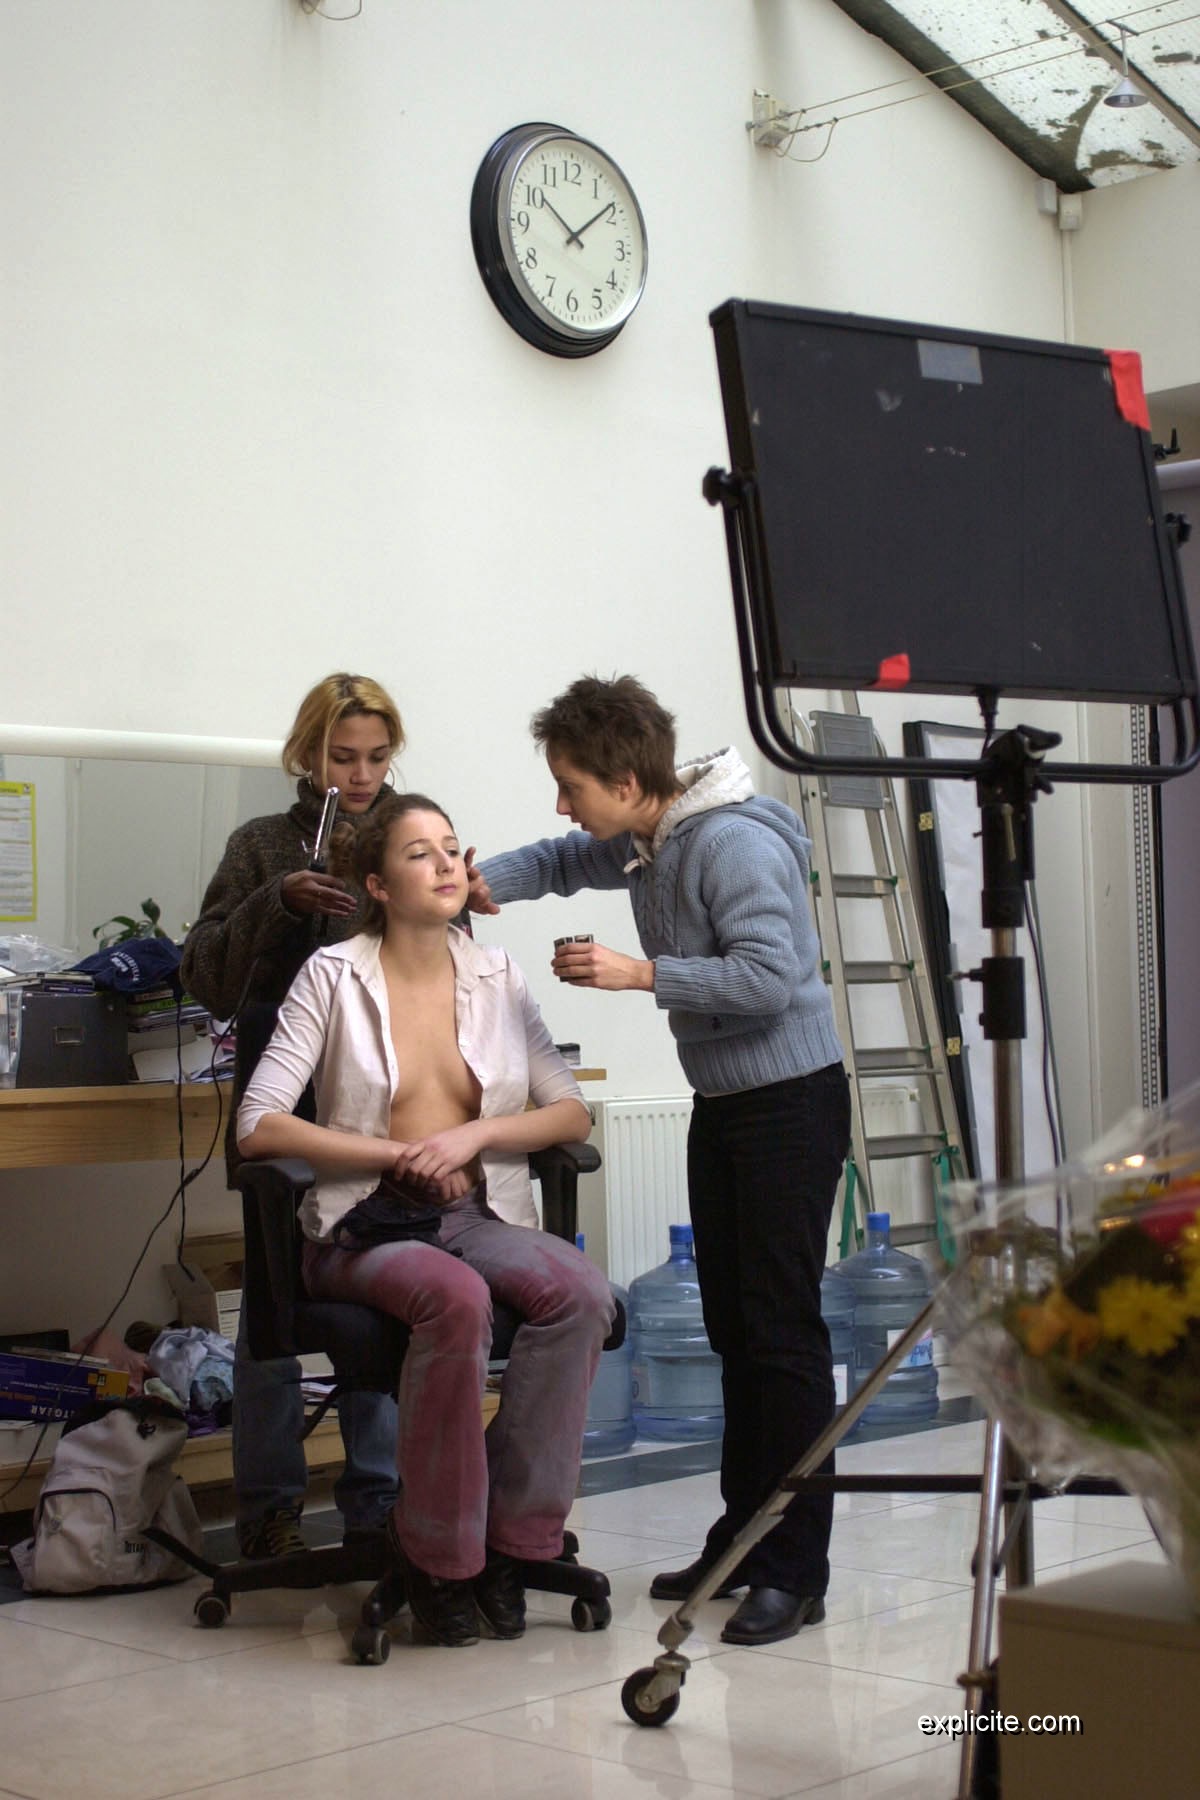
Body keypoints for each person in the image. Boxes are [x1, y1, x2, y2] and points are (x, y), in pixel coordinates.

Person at [469, 674, 851, 1648]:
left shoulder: (729, 844)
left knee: (781, 1336)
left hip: (789, 1106)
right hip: (726, 1106)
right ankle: (743, 1537)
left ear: (628, 782)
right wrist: (479, 882)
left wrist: (639, 974)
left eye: (572, 785)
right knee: (735, 1327)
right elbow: (562, 858)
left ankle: (796, 1569)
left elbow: (770, 979)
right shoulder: (654, 837)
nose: (564, 804)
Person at [236, 792, 615, 1646]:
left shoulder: (497, 974)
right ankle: (440, 1556)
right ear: (376, 884)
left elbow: (569, 1113)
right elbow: (258, 1125)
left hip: (476, 1213)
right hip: (365, 1223)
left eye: (451, 847)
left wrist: (471, 1137)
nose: (447, 864)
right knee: (457, 1299)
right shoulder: (332, 975)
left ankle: (514, 1543)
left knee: (584, 1295)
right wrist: (392, 1155)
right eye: (419, 853)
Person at [181, 672, 408, 1559]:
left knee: (382, 1290)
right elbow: (206, 976)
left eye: (377, 757)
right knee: (274, 1306)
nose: (360, 775)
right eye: (342, 757)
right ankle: (269, 1508)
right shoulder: (261, 844)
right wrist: (275, 901)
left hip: (381, 1100)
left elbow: (446, 954)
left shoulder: (407, 832)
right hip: (282, 1104)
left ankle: (377, 1502)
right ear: (305, 755)